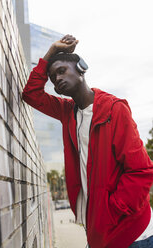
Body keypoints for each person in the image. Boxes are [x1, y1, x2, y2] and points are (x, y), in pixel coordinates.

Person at [22, 35, 153, 248]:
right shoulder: (67, 113)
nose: (57, 79)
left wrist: (111, 211)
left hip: (134, 235)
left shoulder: (113, 109)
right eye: (53, 78)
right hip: (100, 233)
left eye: (62, 70)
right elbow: (31, 94)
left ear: (81, 68)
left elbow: (141, 171)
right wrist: (51, 52)